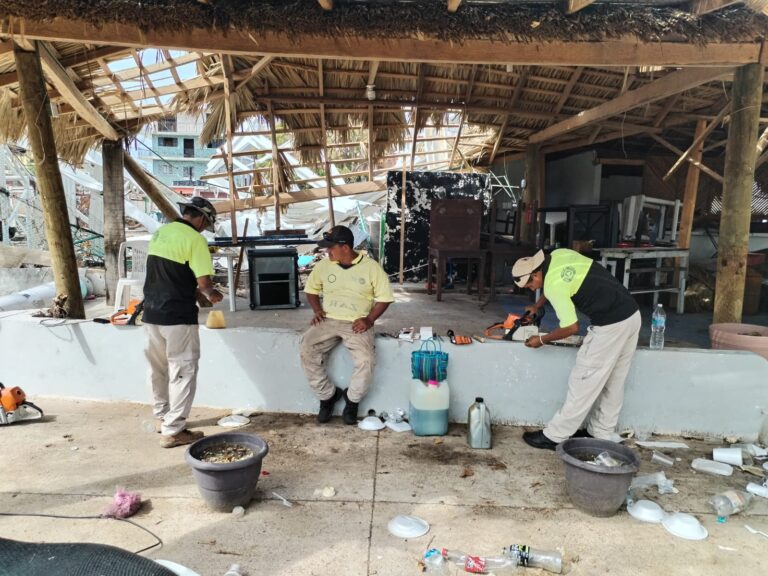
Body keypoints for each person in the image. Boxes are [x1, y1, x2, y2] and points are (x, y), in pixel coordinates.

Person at [511, 248, 641, 450]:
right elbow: (554, 281)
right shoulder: (557, 256)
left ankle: (555, 436)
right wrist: (536, 306)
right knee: (614, 379)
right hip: (632, 315)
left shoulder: (553, 285)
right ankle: (600, 432)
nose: (529, 288)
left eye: (529, 284)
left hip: (610, 325)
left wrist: (542, 340)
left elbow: (571, 327)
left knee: (583, 379)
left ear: (537, 274)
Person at [142, 196, 223, 448]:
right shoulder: (195, 240)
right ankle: (174, 429)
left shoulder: (160, 233)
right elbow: (204, 283)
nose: (203, 228)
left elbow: (170, 274)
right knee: (184, 370)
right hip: (177, 315)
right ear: (200, 217)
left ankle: (161, 416)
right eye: (205, 223)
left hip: (151, 313)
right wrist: (213, 295)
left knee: (158, 368)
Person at [300, 225, 394, 425]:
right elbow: (311, 290)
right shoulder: (324, 266)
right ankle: (327, 396)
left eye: (330, 247)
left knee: (366, 360)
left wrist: (369, 320)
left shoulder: (371, 267)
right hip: (329, 319)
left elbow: (385, 298)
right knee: (307, 347)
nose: (327, 251)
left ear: (345, 247)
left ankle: (351, 401)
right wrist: (317, 311)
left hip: (357, 322)